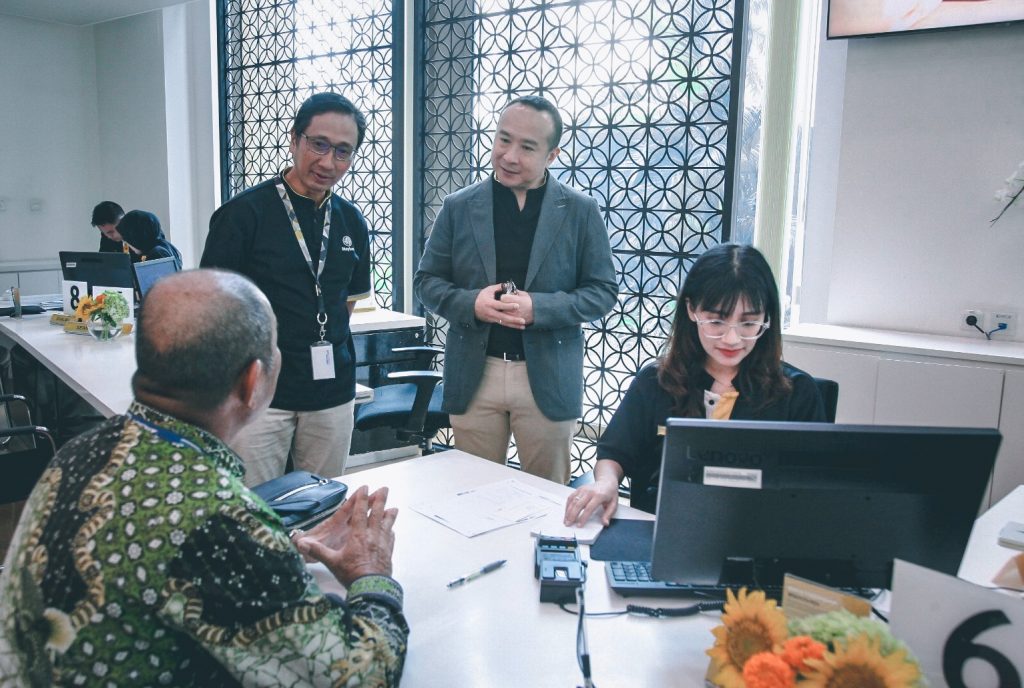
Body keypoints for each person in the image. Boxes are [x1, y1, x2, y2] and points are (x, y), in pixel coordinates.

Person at [0, 269, 408, 686]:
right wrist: (370, 573)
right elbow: (360, 676)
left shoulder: (78, 453)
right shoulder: (216, 519)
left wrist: (277, 550)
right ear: (252, 381)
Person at [415, 95, 618, 485]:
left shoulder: (580, 210)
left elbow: (603, 291)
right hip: (476, 373)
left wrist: (538, 308)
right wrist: (471, 303)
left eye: (527, 147)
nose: (509, 156)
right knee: (472, 493)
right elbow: (426, 282)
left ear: (552, 155)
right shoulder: (459, 206)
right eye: (503, 139)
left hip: (547, 376)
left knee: (547, 497)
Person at [564, 243, 825, 523]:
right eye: (716, 321)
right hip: (661, 527)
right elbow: (615, 452)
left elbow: (815, 487)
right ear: (691, 309)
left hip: (758, 535)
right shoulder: (655, 382)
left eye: (748, 324)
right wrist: (606, 482)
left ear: (767, 317)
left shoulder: (797, 393)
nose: (732, 339)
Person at [200, 92, 372, 486]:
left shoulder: (352, 221)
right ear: (294, 139)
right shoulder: (243, 215)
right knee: (256, 506)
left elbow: (345, 304)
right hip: (259, 397)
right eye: (319, 144)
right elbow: (215, 310)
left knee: (322, 503)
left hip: (331, 393)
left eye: (343, 151)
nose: (328, 162)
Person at [117, 209, 183, 269]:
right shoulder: (164, 246)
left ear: (135, 238)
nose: (127, 244)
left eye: (126, 240)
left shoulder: (157, 255)